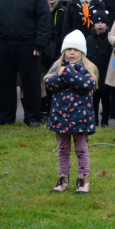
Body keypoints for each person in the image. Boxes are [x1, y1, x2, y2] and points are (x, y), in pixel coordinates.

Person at [44, 30, 98, 194]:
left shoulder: (87, 69)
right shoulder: (56, 67)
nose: (72, 53)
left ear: (82, 51)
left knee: (81, 149)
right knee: (62, 149)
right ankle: (63, 178)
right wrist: (63, 76)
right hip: (61, 117)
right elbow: (49, 82)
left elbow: (86, 85)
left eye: (75, 49)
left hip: (80, 118)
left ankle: (83, 179)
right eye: (68, 49)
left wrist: (67, 73)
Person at [85, 10, 113, 127]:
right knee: (93, 101)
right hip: (93, 76)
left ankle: (105, 121)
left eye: (102, 22)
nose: (100, 25)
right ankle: (94, 121)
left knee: (106, 100)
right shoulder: (89, 40)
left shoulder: (110, 40)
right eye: (97, 22)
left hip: (106, 75)